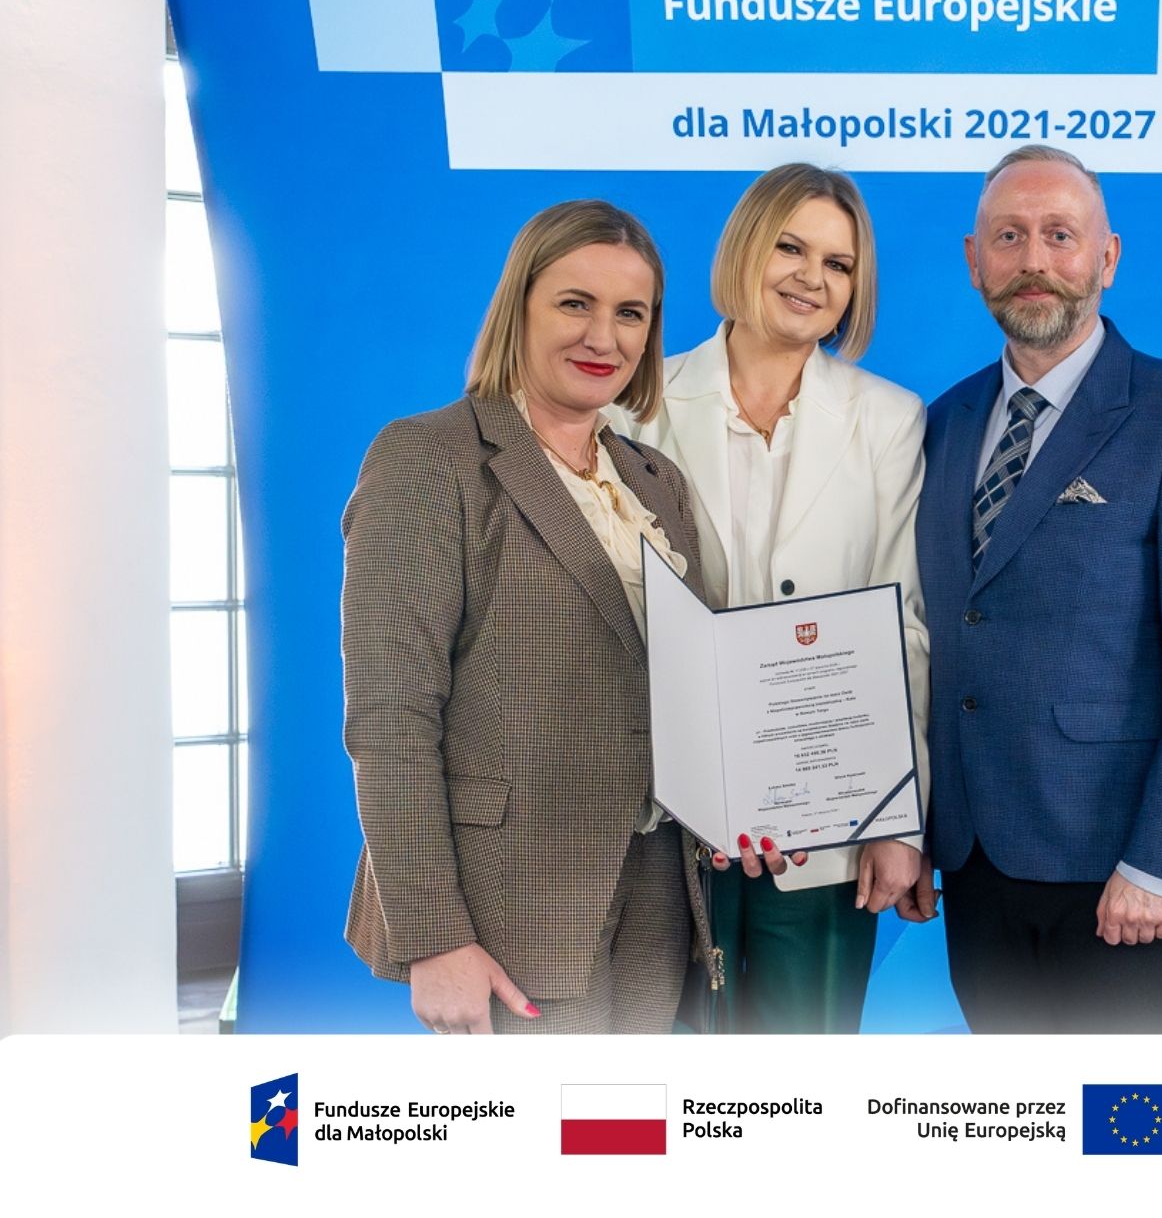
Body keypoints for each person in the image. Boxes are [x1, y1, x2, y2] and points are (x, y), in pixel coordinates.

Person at [343, 198, 752, 1034]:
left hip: (658, 885)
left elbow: (687, 682)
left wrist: (757, 799)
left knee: (632, 1114)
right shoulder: (429, 459)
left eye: (630, 313)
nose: (604, 336)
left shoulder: (654, 480)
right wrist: (433, 936)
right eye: (575, 303)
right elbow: (390, 718)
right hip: (509, 900)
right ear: (518, 307)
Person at [914, 145, 1162, 1033]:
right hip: (975, 864)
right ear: (973, 260)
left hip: (1122, 873)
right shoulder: (943, 421)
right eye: (1008, 236)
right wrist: (912, 829)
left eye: (1059, 235)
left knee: (1121, 1118)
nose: (1033, 259)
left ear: (1106, 258)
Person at [613, 164, 932, 1034]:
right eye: (790, 247)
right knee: (671, 1065)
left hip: (833, 820)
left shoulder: (890, 419)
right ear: (745, 249)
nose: (810, 277)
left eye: (838, 264)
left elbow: (903, 626)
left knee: (806, 1066)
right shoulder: (633, 406)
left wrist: (899, 819)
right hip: (669, 815)